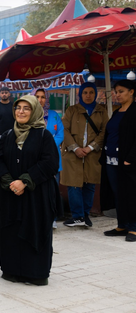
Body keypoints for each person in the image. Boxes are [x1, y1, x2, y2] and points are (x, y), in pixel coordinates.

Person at [0, 95, 60, 286]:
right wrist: (10, 182)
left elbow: (50, 164)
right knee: (11, 232)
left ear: (35, 111)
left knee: (35, 228)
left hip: (36, 195)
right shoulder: (7, 135)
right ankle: (12, 270)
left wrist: (25, 181)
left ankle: (35, 273)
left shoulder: (43, 135)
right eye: (18, 108)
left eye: (26, 108)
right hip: (11, 194)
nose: (21, 112)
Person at [61, 82, 108, 227]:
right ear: (80, 94)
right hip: (73, 154)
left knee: (90, 185)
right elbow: (64, 130)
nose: (88, 96)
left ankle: (85, 215)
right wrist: (75, 148)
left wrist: (90, 148)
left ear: (95, 94)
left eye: (91, 92)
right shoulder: (72, 110)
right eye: (85, 93)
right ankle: (77, 216)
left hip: (92, 154)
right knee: (73, 185)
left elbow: (104, 132)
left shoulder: (101, 111)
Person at [101, 80, 136, 241]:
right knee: (118, 194)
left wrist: (130, 159)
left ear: (132, 92)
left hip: (127, 162)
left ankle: (134, 227)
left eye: (121, 91)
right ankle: (122, 224)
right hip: (111, 160)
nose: (118, 94)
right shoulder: (116, 112)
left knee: (131, 194)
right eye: (116, 91)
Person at [31, 88, 65, 229]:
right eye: (37, 96)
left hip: (52, 158)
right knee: (35, 189)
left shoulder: (54, 115)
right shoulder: (28, 114)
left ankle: (52, 218)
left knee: (52, 189)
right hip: (34, 159)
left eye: (43, 97)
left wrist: (47, 146)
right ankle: (36, 218)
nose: (40, 100)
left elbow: (60, 133)